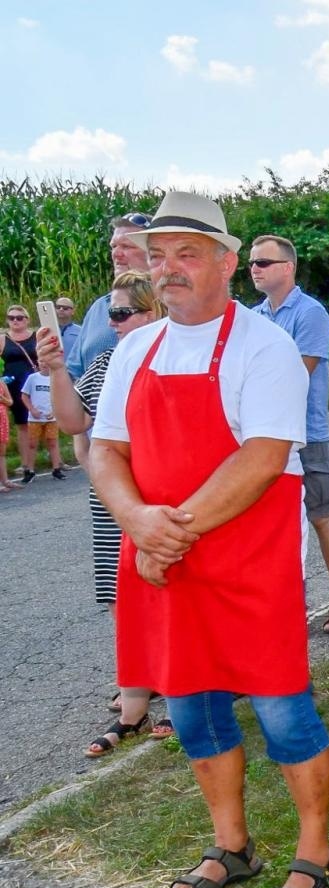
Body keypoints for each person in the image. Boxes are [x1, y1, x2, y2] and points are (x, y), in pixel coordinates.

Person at [89, 190, 329, 888]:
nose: (169, 270)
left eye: (187, 254)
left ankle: (316, 853)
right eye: (158, 256)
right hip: (166, 569)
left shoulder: (265, 347)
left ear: (227, 264)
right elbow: (105, 451)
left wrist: (168, 532)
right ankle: (232, 847)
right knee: (194, 714)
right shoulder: (135, 349)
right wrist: (137, 519)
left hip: (245, 567)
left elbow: (262, 458)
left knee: (284, 712)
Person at [36, 272, 172, 753]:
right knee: (126, 604)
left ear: (153, 310)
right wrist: (54, 370)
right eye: (110, 313)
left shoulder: (175, 358)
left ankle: (181, 702)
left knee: (170, 600)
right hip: (111, 501)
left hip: (161, 500)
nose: (112, 322)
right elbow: (74, 420)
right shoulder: (107, 361)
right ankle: (134, 710)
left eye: (121, 313)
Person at [249, 234, 329, 635]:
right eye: (253, 263)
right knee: (273, 524)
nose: (255, 269)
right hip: (264, 435)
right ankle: (278, 608)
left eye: (264, 263)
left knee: (321, 515)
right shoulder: (256, 316)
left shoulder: (310, 313)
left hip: (305, 432)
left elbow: (297, 372)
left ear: (287, 267)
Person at [68, 212, 153, 379]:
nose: (116, 254)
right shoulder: (99, 308)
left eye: (127, 246)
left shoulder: (174, 306)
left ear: (154, 252)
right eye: (114, 246)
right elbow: (73, 371)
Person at [4, 306, 40, 482]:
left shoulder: (36, 336)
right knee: (22, 424)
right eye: (11, 318)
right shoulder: (3, 339)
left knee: (46, 420)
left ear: (27, 319)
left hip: (36, 384)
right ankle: (25, 463)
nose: (15, 321)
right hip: (14, 386)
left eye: (19, 317)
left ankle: (56, 460)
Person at [20, 366, 65, 480]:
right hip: (35, 418)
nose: (44, 365)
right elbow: (24, 395)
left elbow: (61, 397)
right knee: (32, 444)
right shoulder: (33, 378)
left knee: (53, 443)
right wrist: (32, 409)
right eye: (41, 361)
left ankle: (56, 469)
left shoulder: (55, 378)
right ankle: (30, 470)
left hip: (50, 417)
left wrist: (55, 412)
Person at [53, 297, 81, 370]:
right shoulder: (46, 330)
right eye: (58, 307)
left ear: (73, 311)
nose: (61, 310)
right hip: (52, 372)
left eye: (65, 308)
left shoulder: (81, 331)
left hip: (74, 372)